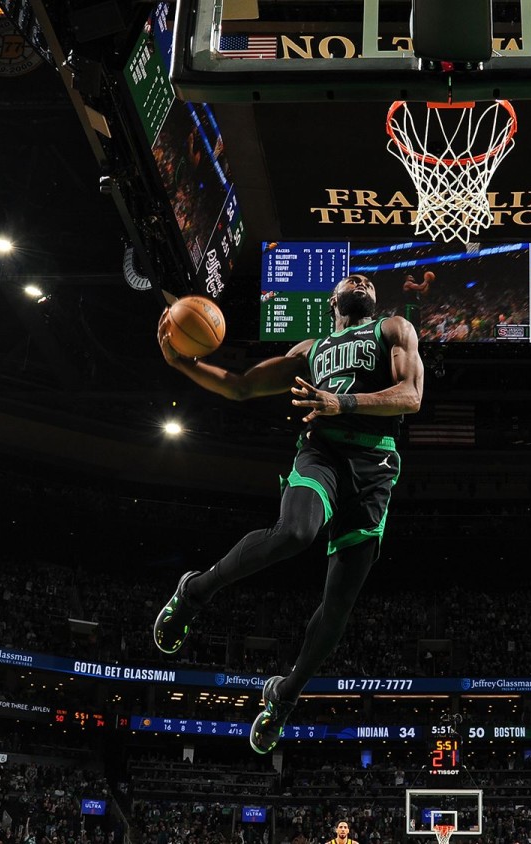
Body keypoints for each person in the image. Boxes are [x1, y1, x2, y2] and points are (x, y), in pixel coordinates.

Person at [153, 273, 424, 754]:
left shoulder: (394, 329)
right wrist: (181, 363)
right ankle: (194, 592)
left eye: (367, 280)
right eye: (350, 278)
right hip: (322, 454)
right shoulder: (310, 350)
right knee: (296, 532)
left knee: (339, 606)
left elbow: (411, 396)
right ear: (332, 300)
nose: (360, 280)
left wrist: (341, 401)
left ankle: (285, 694)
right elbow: (239, 387)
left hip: (375, 464)